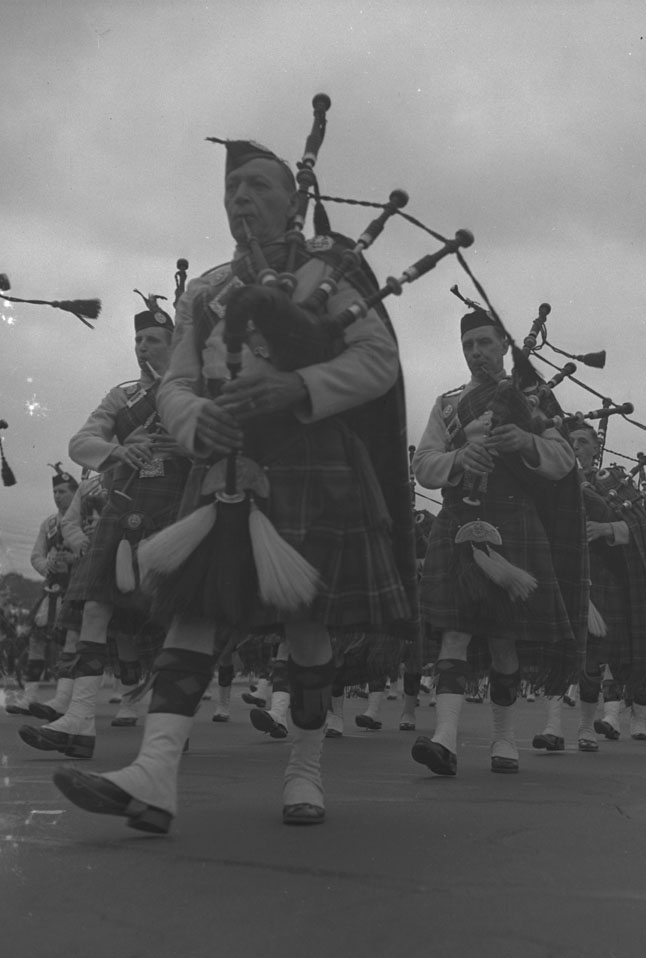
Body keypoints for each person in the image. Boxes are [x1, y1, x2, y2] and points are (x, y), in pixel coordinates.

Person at [52, 138, 416, 830]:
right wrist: (194, 422)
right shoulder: (209, 291)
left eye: (257, 186)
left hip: (313, 463)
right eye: (231, 190)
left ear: (295, 201)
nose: (241, 199)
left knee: (307, 623)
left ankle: (304, 771)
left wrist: (296, 386)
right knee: (195, 610)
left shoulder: (329, 274)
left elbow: (379, 362)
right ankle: (155, 776)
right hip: (225, 467)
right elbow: (178, 383)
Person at [410, 309, 584, 776]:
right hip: (460, 520)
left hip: (512, 521)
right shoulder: (448, 406)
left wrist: (525, 442)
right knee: (455, 630)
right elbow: (423, 464)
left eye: (485, 343)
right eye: (468, 345)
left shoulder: (531, 399)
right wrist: (459, 458)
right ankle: (444, 738)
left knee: (505, 638)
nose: (476, 353)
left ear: (504, 346)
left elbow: (564, 460)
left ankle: (504, 740)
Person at [19, 295, 190, 758]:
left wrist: (184, 447)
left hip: (176, 509)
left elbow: (216, 440)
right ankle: (78, 721)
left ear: (175, 342)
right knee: (97, 608)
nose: (141, 346)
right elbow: (81, 442)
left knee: (168, 619)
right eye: (137, 338)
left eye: (152, 338)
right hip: (126, 505)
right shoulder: (123, 396)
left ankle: (169, 720)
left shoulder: (195, 391)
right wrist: (117, 450)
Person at [536, 419, 646, 750]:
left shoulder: (614, 482)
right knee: (558, 650)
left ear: (596, 448)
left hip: (603, 577)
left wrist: (605, 530)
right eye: (570, 440)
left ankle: (587, 727)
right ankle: (552, 728)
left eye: (582, 441)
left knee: (592, 658)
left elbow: (644, 529)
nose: (575, 445)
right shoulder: (551, 479)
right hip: (562, 572)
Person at [4, 465, 79, 715]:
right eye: (54, 492)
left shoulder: (88, 519)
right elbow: (36, 556)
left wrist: (74, 561)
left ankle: (67, 700)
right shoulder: (48, 524)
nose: (57, 496)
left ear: (75, 493)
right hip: (53, 591)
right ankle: (29, 698)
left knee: (77, 643)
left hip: (81, 589)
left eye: (62, 491)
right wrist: (49, 566)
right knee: (37, 640)